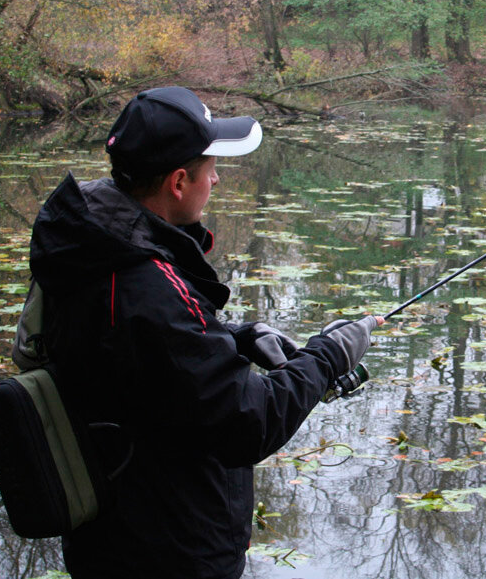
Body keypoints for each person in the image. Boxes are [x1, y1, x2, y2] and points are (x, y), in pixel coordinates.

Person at [24, 86, 382, 579]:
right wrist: (326, 358)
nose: (215, 178)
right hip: (169, 550)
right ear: (177, 182)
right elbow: (247, 421)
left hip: (108, 541)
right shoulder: (147, 283)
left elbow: (142, 355)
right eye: (210, 168)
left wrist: (237, 337)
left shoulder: (88, 244)